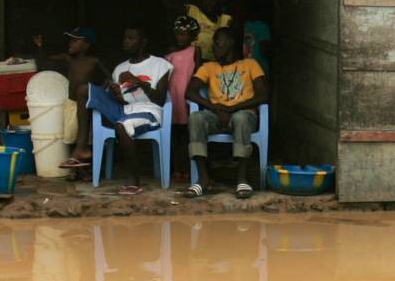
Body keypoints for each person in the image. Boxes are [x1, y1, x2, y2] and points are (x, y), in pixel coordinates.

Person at [186, 26, 269, 199]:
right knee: (196, 118)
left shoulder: (250, 64)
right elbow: (190, 92)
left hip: (243, 114)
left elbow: (263, 95)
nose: (214, 48)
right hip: (217, 115)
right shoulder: (208, 67)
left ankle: (241, 179)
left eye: (218, 43)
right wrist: (216, 108)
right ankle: (203, 179)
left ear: (231, 43)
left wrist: (232, 109)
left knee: (240, 118)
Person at [86, 28, 170, 194]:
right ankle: (81, 148)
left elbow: (160, 99)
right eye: (125, 38)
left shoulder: (161, 64)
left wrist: (137, 81)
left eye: (131, 38)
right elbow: (125, 98)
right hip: (123, 109)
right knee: (85, 90)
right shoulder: (120, 68)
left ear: (143, 42)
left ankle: (134, 180)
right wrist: (117, 93)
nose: (126, 41)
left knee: (123, 125)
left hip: (149, 111)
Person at [58, 27, 105, 170]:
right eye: (70, 40)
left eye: (75, 41)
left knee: (87, 137)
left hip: (86, 105)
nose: (70, 44)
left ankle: (87, 171)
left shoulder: (94, 61)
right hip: (72, 104)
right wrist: (40, 47)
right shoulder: (69, 59)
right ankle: (76, 170)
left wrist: (103, 87)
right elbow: (47, 58)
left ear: (86, 45)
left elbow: (108, 78)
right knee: (72, 136)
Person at [164, 15, 199, 178]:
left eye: (183, 34)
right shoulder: (170, 53)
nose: (179, 37)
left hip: (187, 98)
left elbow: (198, 72)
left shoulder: (195, 51)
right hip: (172, 99)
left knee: (187, 134)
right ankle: (175, 169)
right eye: (177, 33)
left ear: (193, 36)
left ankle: (186, 169)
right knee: (173, 135)